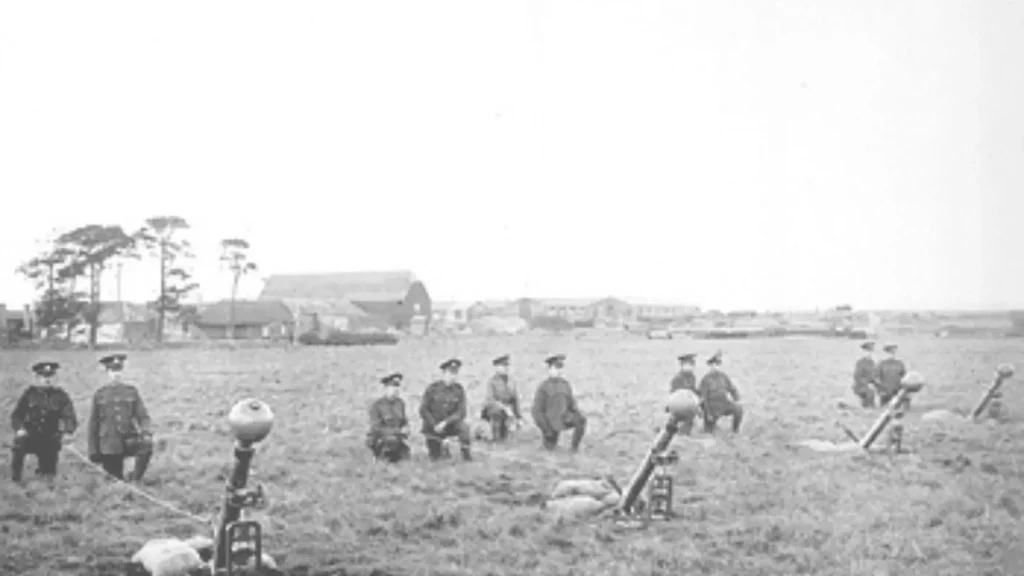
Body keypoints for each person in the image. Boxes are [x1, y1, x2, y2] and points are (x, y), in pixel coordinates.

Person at [87, 354, 154, 482]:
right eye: (113, 371)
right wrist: (93, 450)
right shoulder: (100, 395)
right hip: (109, 445)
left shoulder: (131, 392)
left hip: (129, 440)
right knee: (115, 481)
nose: (116, 374)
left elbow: (142, 416)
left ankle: (135, 479)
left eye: (119, 370)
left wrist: (146, 431)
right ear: (107, 372)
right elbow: (93, 424)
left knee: (147, 446)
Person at [10, 361, 77, 483]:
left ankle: (45, 476)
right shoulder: (29, 394)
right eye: (43, 377)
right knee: (18, 446)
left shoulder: (61, 396)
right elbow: (17, 415)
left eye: (50, 376)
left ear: (55, 378)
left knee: (48, 475)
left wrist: (68, 432)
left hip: (50, 438)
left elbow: (70, 417)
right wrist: (19, 429)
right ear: (37, 378)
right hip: (30, 436)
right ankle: (16, 479)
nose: (47, 380)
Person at [531, 354, 587, 452]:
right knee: (549, 451)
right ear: (549, 369)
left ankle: (574, 449)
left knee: (581, 420)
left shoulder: (565, 385)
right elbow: (536, 411)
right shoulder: (544, 387)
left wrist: (577, 414)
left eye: (561, 367)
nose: (559, 371)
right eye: (556, 367)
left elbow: (572, 405)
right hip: (550, 423)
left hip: (564, 419)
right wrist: (546, 428)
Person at [419, 358, 472, 461]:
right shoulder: (432, 389)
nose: (453, 377)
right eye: (450, 373)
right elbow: (423, 410)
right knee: (436, 457)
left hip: (450, 425)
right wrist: (434, 424)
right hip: (433, 427)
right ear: (443, 374)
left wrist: (446, 422)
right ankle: (441, 447)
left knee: (464, 427)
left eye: (455, 373)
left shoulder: (459, 389)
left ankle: (466, 455)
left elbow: (461, 412)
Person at [366, 373, 411, 463]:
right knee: (390, 443)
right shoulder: (377, 405)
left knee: (406, 458)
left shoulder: (400, 403)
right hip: (380, 439)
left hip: (396, 439)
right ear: (386, 388)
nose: (395, 390)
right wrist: (398, 431)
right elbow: (376, 428)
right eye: (392, 387)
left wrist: (406, 428)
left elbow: (403, 421)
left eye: (397, 386)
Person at [480, 354, 523, 442]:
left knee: (509, 435)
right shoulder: (492, 382)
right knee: (497, 414)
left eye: (507, 365)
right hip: (493, 411)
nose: (505, 368)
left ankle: (505, 433)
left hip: (508, 412)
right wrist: (505, 408)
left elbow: (515, 399)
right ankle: (494, 436)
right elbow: (490, 400)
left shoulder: (512, 381)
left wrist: (518, 417)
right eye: (503, 366)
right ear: (496, 367)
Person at [697, 351, 743, 433]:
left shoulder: (723, 376)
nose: (715, 367)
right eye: (713, 365)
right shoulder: (706, 379)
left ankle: (735, 430)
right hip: (711, 407)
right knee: (709, 432)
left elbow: (732, 389)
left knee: (738, 409)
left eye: (717, 365)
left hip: (724, 404)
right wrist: (708, 413)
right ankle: (710, 425)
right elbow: (704, 399)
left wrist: (737, 398)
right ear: (710, 366)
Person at [668, 353, 700, 435]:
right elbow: (673, 393)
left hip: (689, 404)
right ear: (682, 366)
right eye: (687, 365)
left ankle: (684, 431)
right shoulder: (677, 378)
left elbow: (693, 390)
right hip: (678, 403)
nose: (690, 367)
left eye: (691, 365)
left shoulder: (692, 377)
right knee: (674, 420)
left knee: (690, 418)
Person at [876, 343, 908, 408]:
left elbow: (905, 378)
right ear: (886, 353)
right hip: (885, 393)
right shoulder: (881, 364)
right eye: (890, 352)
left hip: (897, 392)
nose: (892, 354)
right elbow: (877, 378)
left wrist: (904, 391)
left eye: (893, 352)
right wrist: (880, 391)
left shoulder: (899, 363)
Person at [852, 341, 879, 408]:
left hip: (870, 386)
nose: (870, 354)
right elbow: (857, 377)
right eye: (868, 351)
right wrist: (867, 384)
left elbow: (873, 376)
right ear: (864, 352)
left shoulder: (872, 362)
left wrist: (876, 383)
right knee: (869, 394)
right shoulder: (861, 362)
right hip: (860, 386)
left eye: (871, 352)